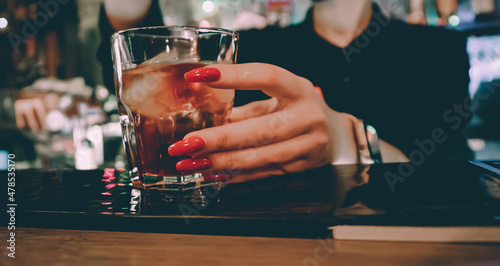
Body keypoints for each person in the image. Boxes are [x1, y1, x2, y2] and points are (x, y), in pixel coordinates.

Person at [99, 0, 473, 183]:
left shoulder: (438, 49)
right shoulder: (253, 48)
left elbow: (458, 181)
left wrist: (347, 140)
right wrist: (129, 13)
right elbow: (151, 84)